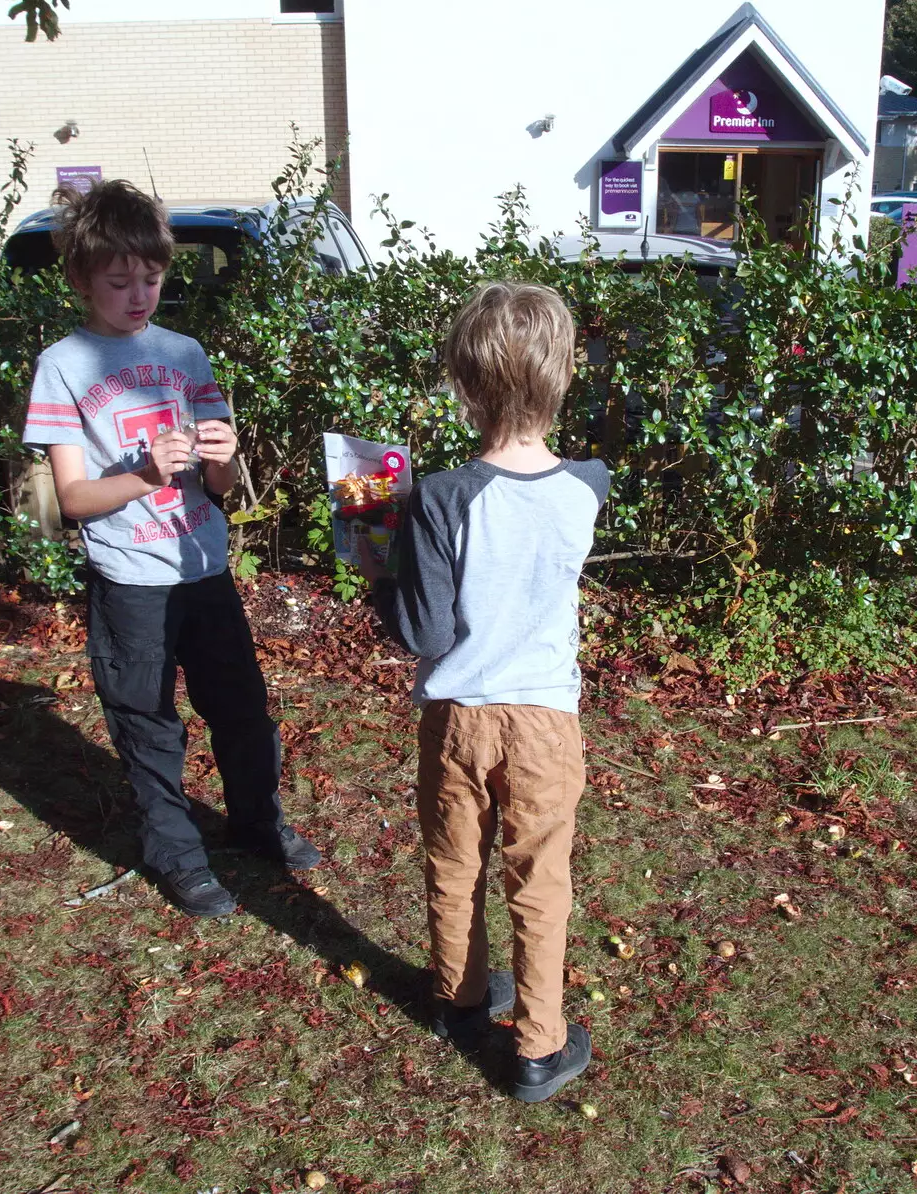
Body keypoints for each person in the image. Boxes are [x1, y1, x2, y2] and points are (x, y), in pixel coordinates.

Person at [22, 179, 320, 918]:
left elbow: (221, 481)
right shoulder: (62, 364)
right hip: (130, 583)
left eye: (151, 279)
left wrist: (225, 452)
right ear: (81, 279)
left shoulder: (185, 353)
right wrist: (143, 472)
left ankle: (258, 825)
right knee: (149, 726)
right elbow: (72, 500)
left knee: (244, 711)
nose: (138, 295)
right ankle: (178, 856)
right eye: (119, 282)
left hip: (203, 567)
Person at [357, 281, 609, 1103]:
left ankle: (460, 998)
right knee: (540, 877)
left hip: (457, 718)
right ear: (564, 373)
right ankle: (540, 1045)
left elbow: (424, 634)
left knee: (454, 859)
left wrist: (379, 569)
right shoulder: (589, 486)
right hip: (545, 719)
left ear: (464, 387)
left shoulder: (439, 497)